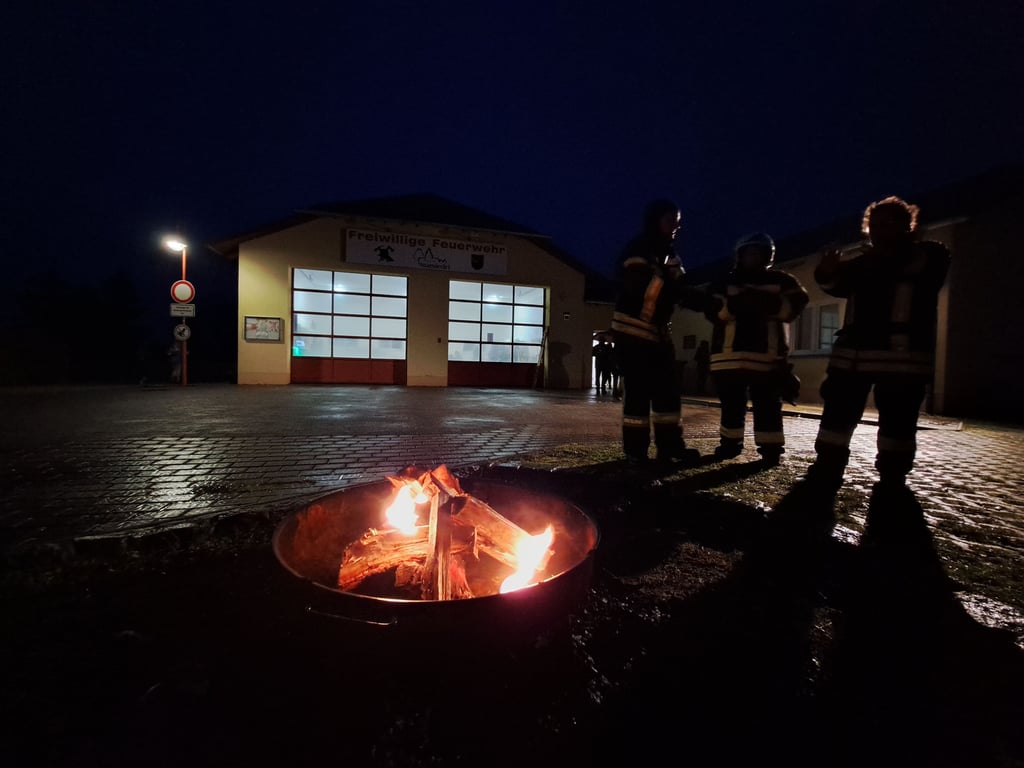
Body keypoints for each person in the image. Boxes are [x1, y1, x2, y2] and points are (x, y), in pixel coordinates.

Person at [807, 196, 951, 488]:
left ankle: (893, 475)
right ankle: (827, 465)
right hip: (852, 358)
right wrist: (828, 270)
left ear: (908, 227)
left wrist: (867, 261)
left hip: (902, 360)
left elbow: (919, 269)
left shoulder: (928, 256)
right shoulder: (862, 264)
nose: (880, 229)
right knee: (837, 417)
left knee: (898, 421)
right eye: (875, 224)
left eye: (890, 223)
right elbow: (835, 286)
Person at [703, 232, 809, 464]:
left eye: (758, 253)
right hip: (728, 357)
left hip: (767, 359)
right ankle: (730, 445)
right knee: (732, 406)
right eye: (749, 253)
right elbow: (712, 311)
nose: (753, 257)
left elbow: (796, 305)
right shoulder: (724, 282)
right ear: (740, 255)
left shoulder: (782, 281)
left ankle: (770, 450)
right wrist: (737, 305)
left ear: (767, 256)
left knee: (768, 406)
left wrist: (761, 302)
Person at [610, 199, 702, 465]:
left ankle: (670, 447)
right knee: (637, 397)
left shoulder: (669, 255)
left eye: (678, 220)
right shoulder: (638, 249)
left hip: (658, 335)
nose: (676, 225)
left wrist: (704, 300)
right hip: (632, 333)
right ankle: (635, 453)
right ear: (655, 220)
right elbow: (641, 287)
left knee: (668, 396)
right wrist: (678, 291)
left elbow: (683, 287)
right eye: (670, 219)